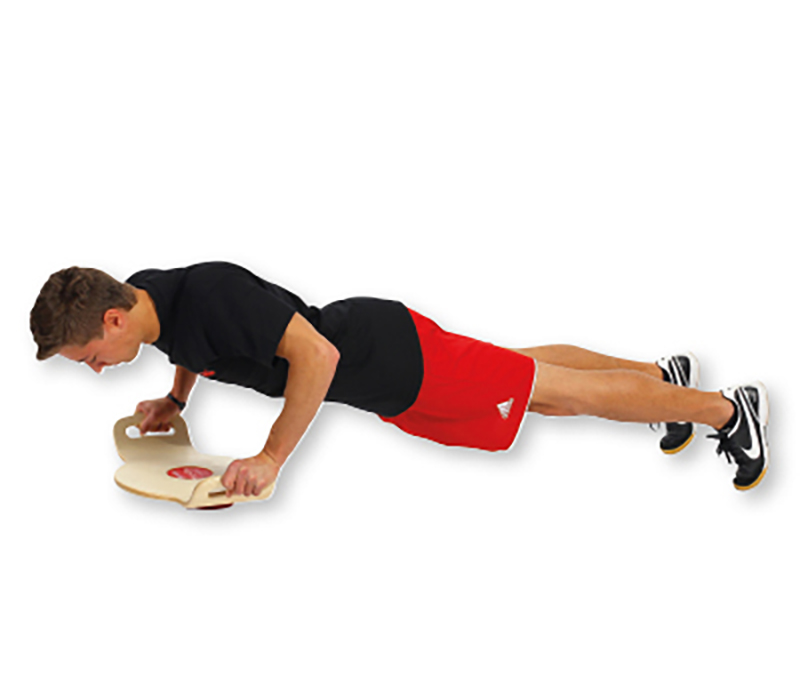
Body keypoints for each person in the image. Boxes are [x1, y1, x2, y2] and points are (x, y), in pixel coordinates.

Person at [30, 262, 769, 496]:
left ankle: (724, 412)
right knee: (525, 370)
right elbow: (192, 346)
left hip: (389, 362)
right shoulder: (151, 303)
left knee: (552, 393)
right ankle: (660, 378)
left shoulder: (211, 293)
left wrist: (272, 457)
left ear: (112, 320)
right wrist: (176, 396)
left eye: (88, 356)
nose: (95, 370)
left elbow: (317, 358)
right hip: (387, 362)